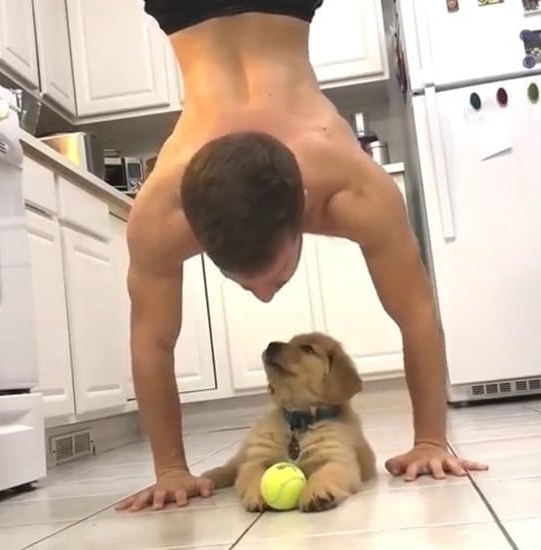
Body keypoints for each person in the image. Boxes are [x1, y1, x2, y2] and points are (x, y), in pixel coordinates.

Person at [116, 0, 488, 513]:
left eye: (273, 274)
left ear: (306, 214)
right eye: (240, 280)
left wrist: (430, 440)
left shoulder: (348, 186)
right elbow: (151, 344)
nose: (265, 294)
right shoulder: (163, 210)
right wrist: (170, 470)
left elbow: (417, 313)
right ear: (194, 232)